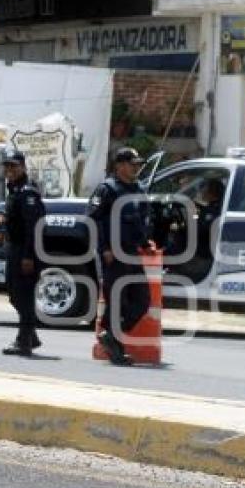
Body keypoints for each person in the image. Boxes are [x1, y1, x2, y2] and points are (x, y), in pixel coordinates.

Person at [87, 147, 151, 366]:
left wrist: (146, 243)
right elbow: (94, 221)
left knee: (142, 301)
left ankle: (111, 336)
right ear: (120, 165)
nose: (137, 168)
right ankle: (116, 348)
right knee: (117, 301)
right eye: (133, 164)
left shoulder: (138, 189)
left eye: (138, 165)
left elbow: (140, 221)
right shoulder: (107, 189)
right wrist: (104, 248)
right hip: (113, 255)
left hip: (133, 253)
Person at [1, 149, 45, 357]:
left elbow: (33, 228)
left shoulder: (27, 193)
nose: (9, 170)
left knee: (23, 296)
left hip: (26, 251)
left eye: (14, 166)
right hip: (15, 249)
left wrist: (28, 256)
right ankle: (31, 336)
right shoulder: (15, 190)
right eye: (7, 166)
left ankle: (23, 341)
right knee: (14, 295)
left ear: (23, 167)